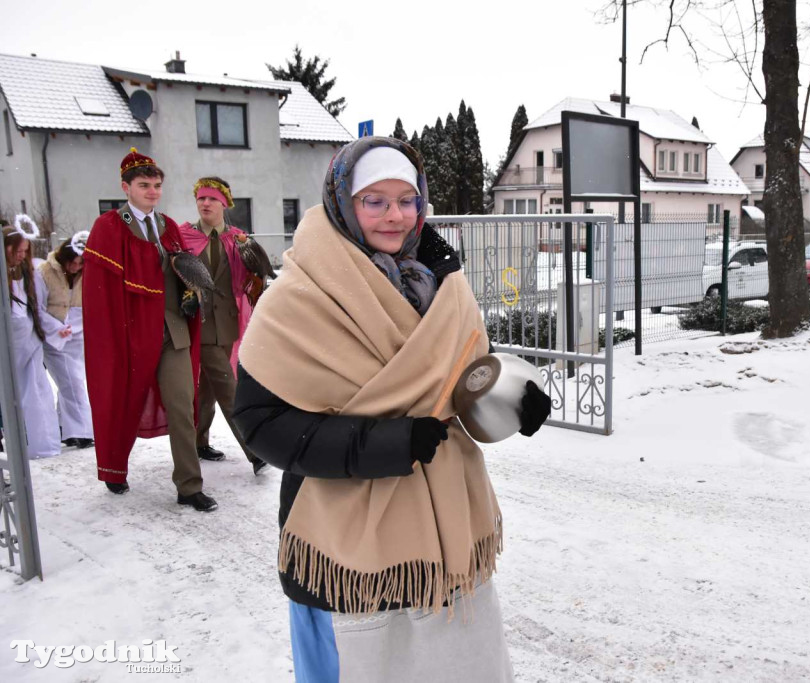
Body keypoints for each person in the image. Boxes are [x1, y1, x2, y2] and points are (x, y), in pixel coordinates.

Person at [233, 137, 551, 681]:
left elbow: (458, 378)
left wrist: (510, 398)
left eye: (407, 199)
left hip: (445, 530)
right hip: (344, 551)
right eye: (374, 200)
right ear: (342, 202)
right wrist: (382, 444)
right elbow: (258, 422)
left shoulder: (441, 282)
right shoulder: (299, 296)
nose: (395, 215)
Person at [82, 148, 217, 512]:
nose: (153, 191)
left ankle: (189, 486)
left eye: (157, 185)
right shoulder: (108, 227)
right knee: (120, 402)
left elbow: (182, 271)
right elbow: (99, 293)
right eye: (145, 185)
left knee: (182, 406)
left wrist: (191, 296)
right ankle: (113, 468)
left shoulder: (169, 227)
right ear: (126, 187)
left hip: (172, 332)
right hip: (129, 336)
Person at [179, 177, 266, 474]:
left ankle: (199, 441)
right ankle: (255, 450)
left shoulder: (238, 239)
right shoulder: (182, 236)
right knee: (229, 387)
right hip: (196, 323)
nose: (205, 203)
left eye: (212, 199)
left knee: (208, 388)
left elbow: (248, 281)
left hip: (227, 324)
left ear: (225, 204)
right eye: (201, 198)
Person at [4, 222, 71, 459]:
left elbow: (36, 309)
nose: (22, 256)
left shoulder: (26, 272)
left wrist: (55, 329)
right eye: (17, 251)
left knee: (37, 392)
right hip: (8, 344)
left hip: (29, 342)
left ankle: (42, 445)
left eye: (24, 251)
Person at [38, 233, 94, 449]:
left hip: (77, 335)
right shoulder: (44, 272)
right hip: (53, 337)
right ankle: (82, 430)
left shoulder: (85, 273)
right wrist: (55, 328)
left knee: (71, 381)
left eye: (81, 263)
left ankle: (67, 428)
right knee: (72, 382)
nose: (76, 267)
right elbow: (39, 307)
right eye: (73, 262)